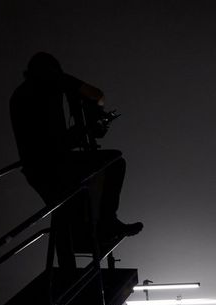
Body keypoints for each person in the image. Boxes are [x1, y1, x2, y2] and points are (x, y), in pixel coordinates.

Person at [9, 52, 142, 262]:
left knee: (62, 210)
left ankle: (66, 269)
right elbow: (97, 95)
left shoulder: (19, 95)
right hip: (54, 163)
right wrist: (93, 118)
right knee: (115, 161)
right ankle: (108, 221)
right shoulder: (54, 82)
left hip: (35, 169)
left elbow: (44, 138)